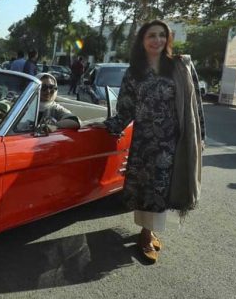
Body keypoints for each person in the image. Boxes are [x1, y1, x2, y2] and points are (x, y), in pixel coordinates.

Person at [88, 20, 205, 264]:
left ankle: (147, 232)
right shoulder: (134, 72)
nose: (157, 40)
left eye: (162, 35)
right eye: (152, 35)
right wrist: (105, 125)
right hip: (144, 142)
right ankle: (146, 233)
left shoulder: (178, 66)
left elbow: (196, 106)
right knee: (146, 189)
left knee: (162, 189)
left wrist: (200, 136)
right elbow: (126, 109)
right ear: (142, 40)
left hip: (173, 143)